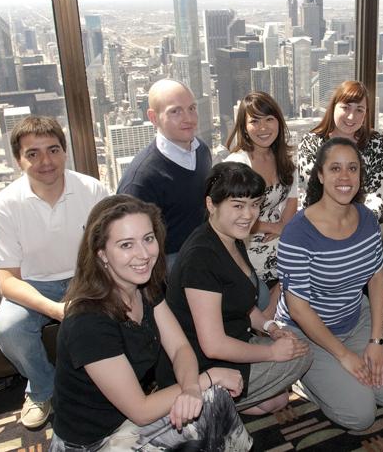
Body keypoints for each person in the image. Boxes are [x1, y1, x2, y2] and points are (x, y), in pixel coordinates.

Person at [50, 195, 251, 451]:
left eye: (148, 238)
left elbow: (179, 348)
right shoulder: (88, 323)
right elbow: (141, 411)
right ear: (101, 254)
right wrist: (210, 376)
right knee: (212, 391)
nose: (144, 254)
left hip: (127, 421)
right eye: (126, 245)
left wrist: (191, 387)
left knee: (210, 400)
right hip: (93, 442)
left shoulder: (143, 287)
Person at [275, 138, 383, 430]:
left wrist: (377, 341)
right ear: (321, 175)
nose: (345, 177)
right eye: (335, 168)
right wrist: (344, 355)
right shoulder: (297, 233)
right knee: (360, 416)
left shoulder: (366, 218)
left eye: (352, 168)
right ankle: (301, 379)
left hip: (354, 317)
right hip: (309, 332)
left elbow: (377, 278)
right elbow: (298, 309)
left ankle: (342, 378)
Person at [159, 162, 311, 416]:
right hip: (199, 366)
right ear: (211, 205)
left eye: (254, 204)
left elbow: (240, 300)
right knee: (302, 355)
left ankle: (224, 403)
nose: (249, 215)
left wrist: (270, 327)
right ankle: (199, 402)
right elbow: (213, 345)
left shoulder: (231, 238)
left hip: (234, 341)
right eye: (238, 205)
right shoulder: (201, 258)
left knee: (276, 401)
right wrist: (271, 352)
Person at [0, 116, 109, 429]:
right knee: (9, 328)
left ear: (65, 152)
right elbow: (7, 280)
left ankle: (113, 382)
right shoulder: (5, 205)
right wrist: (55, 309)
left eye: (53, 150)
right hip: (34, 285)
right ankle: (44, 388)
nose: (46, 161)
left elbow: (114, 247)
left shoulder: (92, 190)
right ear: (18, 160)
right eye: (33, 153)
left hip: (87, 278)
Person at [117, 79, 212, 267]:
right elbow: (128, 241)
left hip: (204, 250)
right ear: (153, 118)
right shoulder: (141, 179)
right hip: (166, 264)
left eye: (192, 108)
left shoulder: (201, 150)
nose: (189, 119)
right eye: (175, 111)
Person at [224, 91, 298, 313]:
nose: (263, 128)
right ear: (244, 126)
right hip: (245, 240)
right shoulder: (238, 164)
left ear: (279, 121)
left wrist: (283, 227)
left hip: (281, 235)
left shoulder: (285, 158)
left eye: (269, 119)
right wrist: (272, 227)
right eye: (254, 121)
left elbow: (292, 201)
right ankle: (266, 322)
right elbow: (229, 216)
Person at [298, 80, 383, 218]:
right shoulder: (311, 143)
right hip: (318, 220)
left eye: (359, 110)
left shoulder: (377, 143)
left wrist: (359, 224)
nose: (351, 116)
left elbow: (376, 195)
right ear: (333, 107)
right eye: (346, 107)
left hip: (362, 221)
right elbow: (313, 191)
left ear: (366, 114)